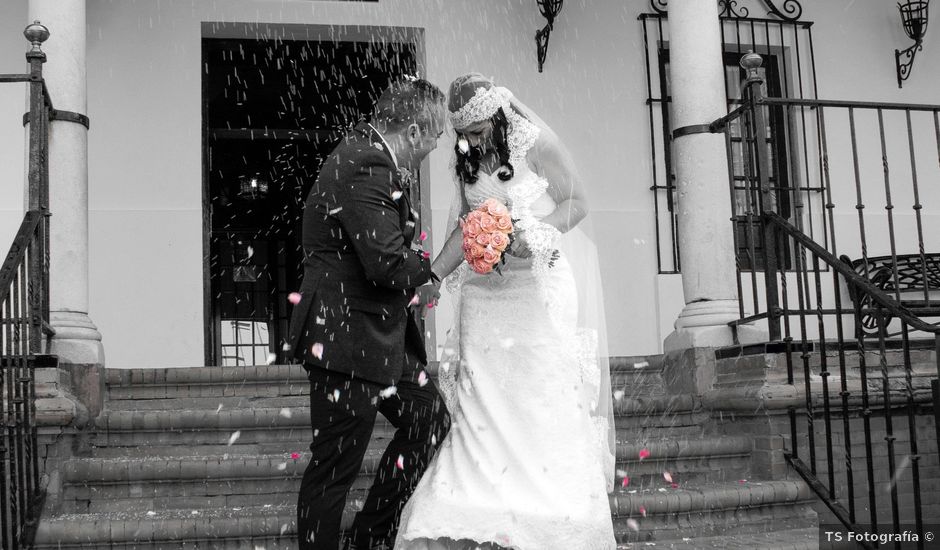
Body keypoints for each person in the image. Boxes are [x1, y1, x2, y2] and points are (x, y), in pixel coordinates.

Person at [393, 73, 617, 550]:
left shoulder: (538, 143)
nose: (470, 142)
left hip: (536, 292)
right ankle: (474, 508)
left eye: (478, 131)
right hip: (483, 299)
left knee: (537, 395)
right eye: (464, 134)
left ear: (497, 116)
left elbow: (577, 204)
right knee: (484, 403)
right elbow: (463, 225)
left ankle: (553, 512)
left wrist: (530, 236)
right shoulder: (466, 158)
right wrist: (433, 279)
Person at [287, 77, 451, 550]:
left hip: (378, 338)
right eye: (437, 134)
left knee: (428, 420)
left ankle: (369, 535)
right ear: (416, 131)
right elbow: (385, 261)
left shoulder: (369, 155)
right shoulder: (365, 161)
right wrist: (439, 265)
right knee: (333, 469)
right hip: (345, 338)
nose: (439, 144)